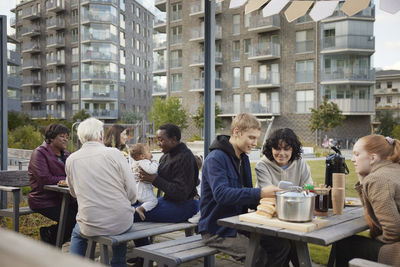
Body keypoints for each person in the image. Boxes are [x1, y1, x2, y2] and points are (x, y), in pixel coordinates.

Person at [198, 113, 291, 266]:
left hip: (239, 223)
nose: (255, 143)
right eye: (251, 138)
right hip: (216, 229)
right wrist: (261, 193)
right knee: (257, 255)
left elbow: (247, 196)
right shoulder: (215, 158)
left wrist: (275, 203)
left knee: (282, 245)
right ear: (236, 132)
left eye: (256, 138)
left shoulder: (243, 158)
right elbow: (222, 195)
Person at [66, 118, 137, 267]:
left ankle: (74, 263)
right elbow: (131, 191)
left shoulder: (71, 159)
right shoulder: (115, 154)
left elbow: (73, 193)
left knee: (77, 234)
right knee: (121, 225)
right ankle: (118, 263)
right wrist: (129, 202)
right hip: (120, 221)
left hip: (90, 222)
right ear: (99, 134)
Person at [335, 135, 400, 266]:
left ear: (372, 158)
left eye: (357, 154)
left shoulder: (377, 179)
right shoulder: (394, 169)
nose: (352, 160)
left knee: (343, 245)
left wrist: (377, 239)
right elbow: (372, 214)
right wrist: (362, 179)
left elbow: (394, 231)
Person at [28, 123, 77, 246]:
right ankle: (53, 243)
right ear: (51, 137)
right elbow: (44, 178)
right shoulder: (39, 153)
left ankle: (49, 233)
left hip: (65, 199)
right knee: (70, 219)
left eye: (67, 136)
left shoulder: (66, 154)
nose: (66, 139)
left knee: (84, 215)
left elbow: (74, 173)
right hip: (44, 200)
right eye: (62, 136)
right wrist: (66, 179)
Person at [130, 143, 159, 221]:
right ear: (142, 156)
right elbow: (152, 170)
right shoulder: (143, 162)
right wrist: (155, 163)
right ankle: (141, 209)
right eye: (149, 151)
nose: (151, 153)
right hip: (143, 190)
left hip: (138, 190)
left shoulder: (135, 163)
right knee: (154, 201)